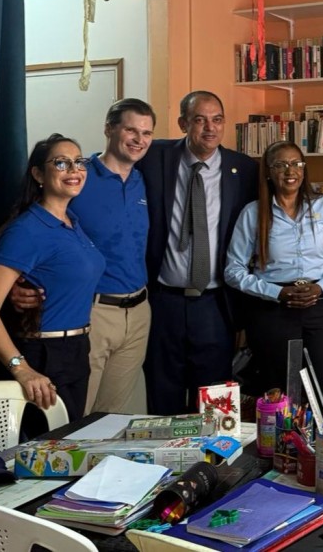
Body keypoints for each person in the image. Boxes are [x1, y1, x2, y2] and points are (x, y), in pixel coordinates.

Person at [10, 99, 155, 414]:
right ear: (108, 129)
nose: (139, 139)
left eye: (146, 132)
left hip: (138, 310)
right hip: (92, 311)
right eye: (130, 129)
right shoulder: (79, 177)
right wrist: (13, 285)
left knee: (115, 418)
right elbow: (16, 231)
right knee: (76, 416)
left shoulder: (145, 180)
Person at [140, 91, 259, 415]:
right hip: (164, 302)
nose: (210, 128)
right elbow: (107, 162)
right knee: (163, 395)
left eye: (217, 119)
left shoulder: (244, 169)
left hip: (216, 304)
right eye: (199, 120)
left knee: (216, 404)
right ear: (182, 123)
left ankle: (218, 465)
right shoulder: (154, 157)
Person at [0, 134, 105, 418]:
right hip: (43, 355)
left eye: (79, 162)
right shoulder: (27, 230)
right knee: (42, 457)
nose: (74, 170)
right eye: (61, 163)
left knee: (70, 450)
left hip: (77, 350)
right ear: (38, 174)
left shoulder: (72, 222)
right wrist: (22, 369)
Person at [225, 141, 323, 419]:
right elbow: (233, 271)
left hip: (320, 304)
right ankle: (281, 457)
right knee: (279, 391)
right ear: (268, 172)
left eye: (296, 163)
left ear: (304, 169)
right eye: (280, 165)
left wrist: (321, 288)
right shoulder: (253, 213)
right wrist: (276, 293)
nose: (290, 171)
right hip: (274, 310)